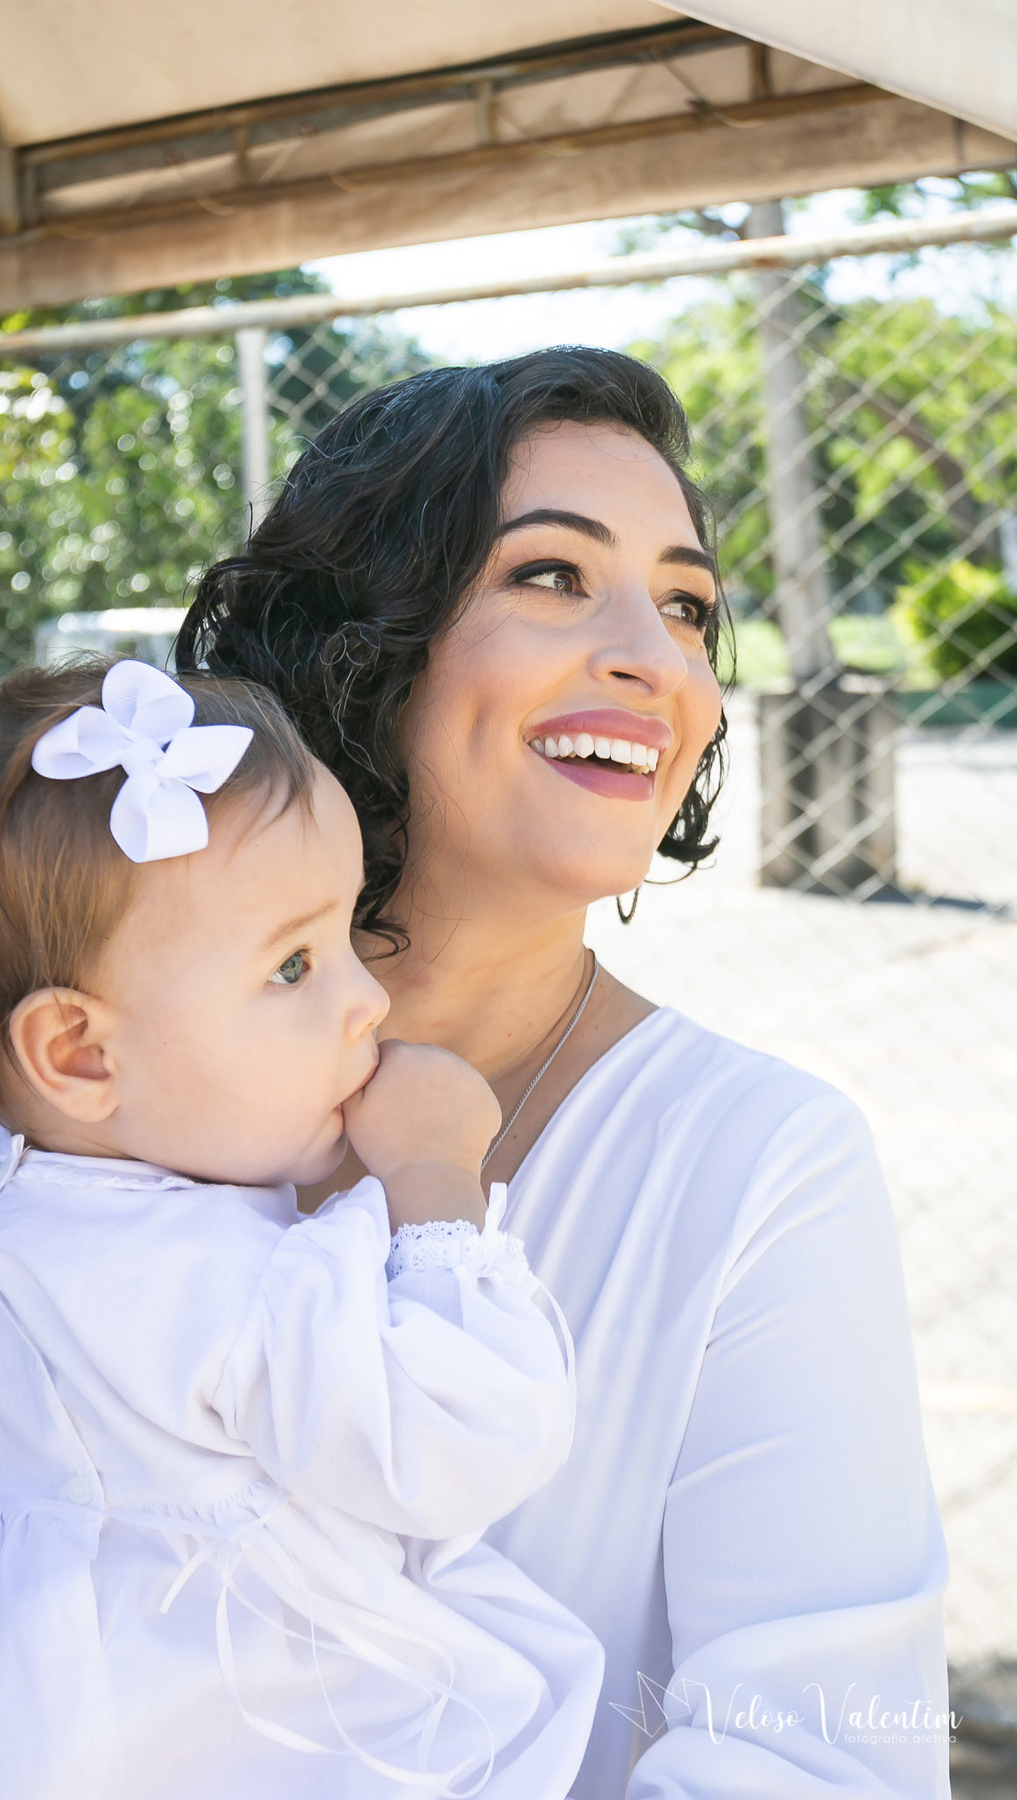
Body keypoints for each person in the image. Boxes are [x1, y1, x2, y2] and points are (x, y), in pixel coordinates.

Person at [172, 349, 951, 1798]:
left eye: (688, 606)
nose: (658, 660)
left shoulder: (757, 1163)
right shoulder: (96, 1099)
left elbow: (822, 1757)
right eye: (550, 575)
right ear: (362, 640)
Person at [0, 658, 603, 1800]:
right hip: (264, 1742)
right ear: (80, 1053)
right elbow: (464, 1440)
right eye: (293, 965)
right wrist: (435, 1178)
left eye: (345, 935)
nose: (368, 1000)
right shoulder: (246, 1285)